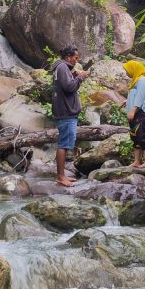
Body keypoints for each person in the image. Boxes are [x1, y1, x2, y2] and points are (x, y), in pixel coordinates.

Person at [52, 45, 89, 187]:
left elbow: (66, 85)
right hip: (66, 112)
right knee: (64, 144)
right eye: (75, 57)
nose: (76, 60)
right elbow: (69, 87)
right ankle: (61, 176)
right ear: (68, 57)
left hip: (65, 111)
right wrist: (80, 77)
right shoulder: (62, 67)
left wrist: (74, 76)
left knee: (66, 143)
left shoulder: (62, 67)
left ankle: (61, 175)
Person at [123, 60, 145, 168]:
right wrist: (127, 101)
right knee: (135, 137)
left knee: (142, 136)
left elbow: (140, 97)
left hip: (142, 113)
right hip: (136, 113)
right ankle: (136, 161)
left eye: (127, 70)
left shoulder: (142, 80)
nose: (126, 72)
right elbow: (136, 95)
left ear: (134, 69)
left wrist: (132, 110)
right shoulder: (135, 80)